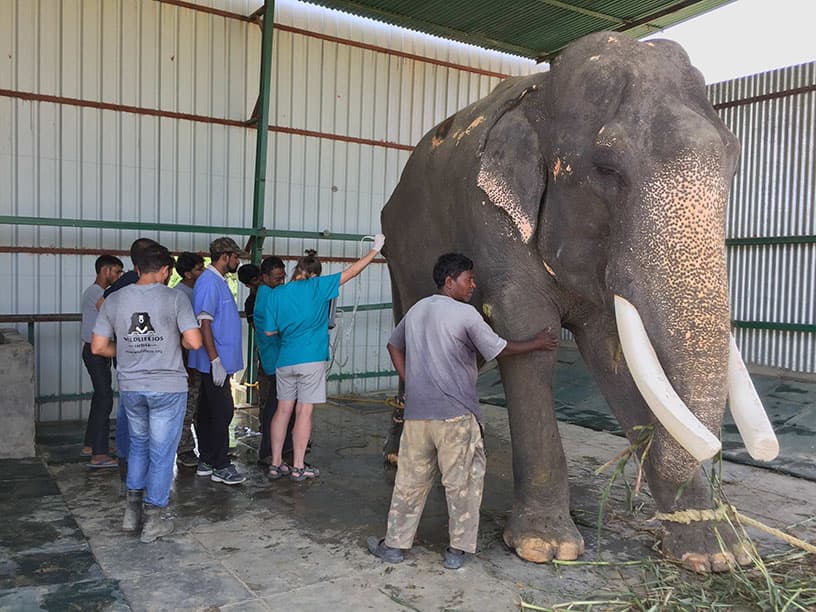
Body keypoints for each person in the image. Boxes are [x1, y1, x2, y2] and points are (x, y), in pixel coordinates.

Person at [367, 253, 559, 569]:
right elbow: (500, 349)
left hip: (418, 415)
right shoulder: (465, 315)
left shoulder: (417, 310)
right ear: (449, 281)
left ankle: (394, 547)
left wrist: (411, 379)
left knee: (409, 483)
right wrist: (537, 343)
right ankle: (457, 551)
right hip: (455, 417)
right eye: (468, 279)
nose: (473, 285)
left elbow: (393, 345)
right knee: (462, 484)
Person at [91, 243, 202, 543]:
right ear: (165, 271)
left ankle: (131, 514)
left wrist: (125, 351)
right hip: (167, 387)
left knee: (138, 447)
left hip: (132, 388)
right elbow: (194, 342)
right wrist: (169, 342)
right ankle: (154, 520)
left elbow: (98, 347)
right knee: (162, 452)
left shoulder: (114, 299)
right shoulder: (175, 298)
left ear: (136, 269)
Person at [261, 235, 385, 481]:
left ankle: (275, 463)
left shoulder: (277, 293)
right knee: (304, 412)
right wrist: (375, 249)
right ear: (315, 274)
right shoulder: (318, 286)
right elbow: (352, 272)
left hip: (285, 360)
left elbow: (269, 331)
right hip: (311, 358)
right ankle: (298, 466)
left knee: (283, 411)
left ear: (296, 270)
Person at [96, 238, 160, 488]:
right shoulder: (129, 281)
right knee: (131, 412)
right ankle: (129, 461)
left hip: (141, 358)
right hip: (134, 358)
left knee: (133, 410)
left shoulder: (142, 282)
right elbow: (102, 304)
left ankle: (132, 461)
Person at [189, 237, 246, 485]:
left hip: (218, 360)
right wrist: (214, 360)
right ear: (225, 256)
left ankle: (208, 459)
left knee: (210, 410)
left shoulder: (217, 281)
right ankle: (220, 463)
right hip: (214, 361)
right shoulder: (209, 282)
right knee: (222, 411)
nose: (238, 261)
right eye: (236, 257)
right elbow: (204, 323)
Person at [80, 254, 124, 467]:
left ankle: (92, 444)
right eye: (117, 272)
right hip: (95, 352)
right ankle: (99, 454)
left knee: (100, 398)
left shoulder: (97, 292)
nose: (118, 276)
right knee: (105, 399)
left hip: (97, 351)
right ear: (106, 270)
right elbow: (107, 310)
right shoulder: (97, 293)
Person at [252, 256, 294, 467]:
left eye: (283, 277)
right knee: (276, 408)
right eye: (277, 278)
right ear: (265, 277)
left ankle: (284, 445)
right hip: (275, 359)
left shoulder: (273, 293)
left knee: (285, 406)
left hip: (280, 358)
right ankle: (268, 450)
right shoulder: (268, 298)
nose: (281, 281)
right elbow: (280, 326)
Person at [173, 251, 206, 468]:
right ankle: (184, 449)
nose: (202, 272)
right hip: (186, 358)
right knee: (188, 404)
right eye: (198, 269)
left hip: (202, 356)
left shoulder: (201, 290)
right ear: (187, 274)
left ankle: (205, 446)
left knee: (201, 405)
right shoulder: (179, 295)